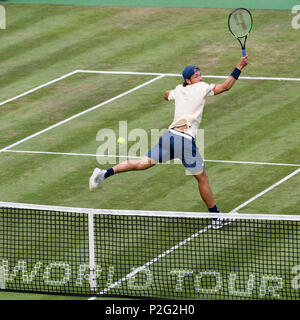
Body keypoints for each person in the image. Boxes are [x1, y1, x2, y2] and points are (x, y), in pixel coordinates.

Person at [89, 55, 248, 229]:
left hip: (168, 137)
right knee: (202, 178)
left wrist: (174, 95)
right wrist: (239, 66)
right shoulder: (202, 88)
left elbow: (166, 95)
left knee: (142, 164)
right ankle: (216, 218)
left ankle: (103, 174)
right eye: (197, 76)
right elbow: (226, 86)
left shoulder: (179, 90)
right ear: (188, 80)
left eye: (200, 75)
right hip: (184, 141)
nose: (201, 78)